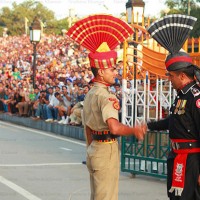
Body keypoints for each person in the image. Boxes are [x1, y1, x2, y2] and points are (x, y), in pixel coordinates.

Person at [67, 14, 147, 200]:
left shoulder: (90, 94)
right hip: (106, 149)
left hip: (94, 148)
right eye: (112, 69)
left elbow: (87, 127)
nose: (115, 72)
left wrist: (90, 148)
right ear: (101, 71)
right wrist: (134, 130)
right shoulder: (106, 96)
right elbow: (114, 127)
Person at [147, 14, 200, 200]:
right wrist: (149, 126)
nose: (169, 79)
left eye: (171, 76)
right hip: (177, 157)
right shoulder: (182, 96)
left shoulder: (195, 97)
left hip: (192, 160)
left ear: (183, 76)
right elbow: (174, 121)